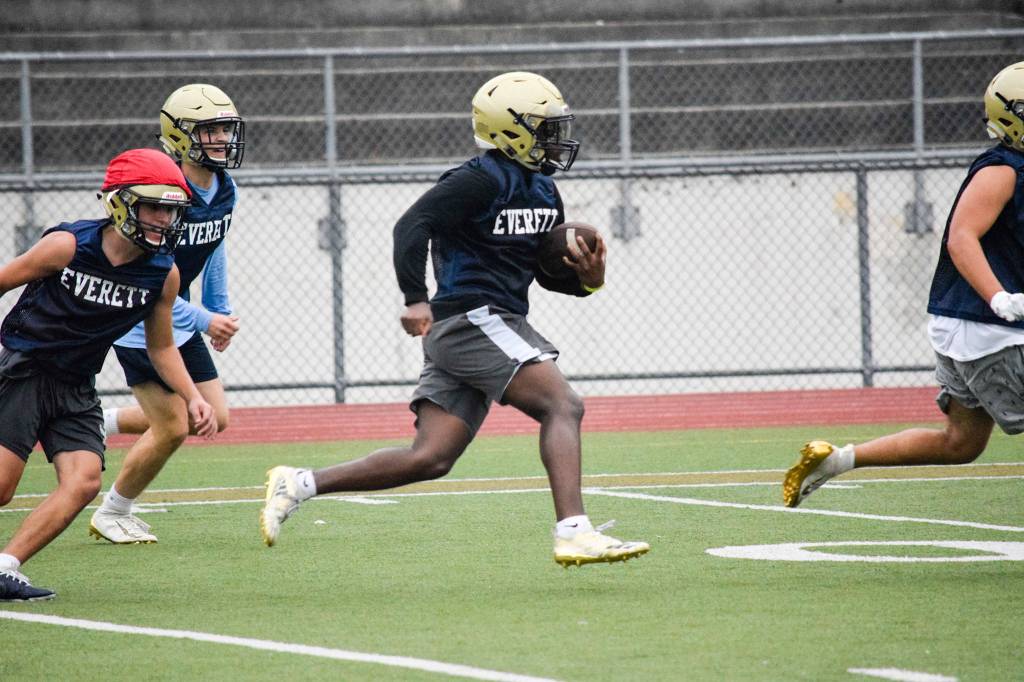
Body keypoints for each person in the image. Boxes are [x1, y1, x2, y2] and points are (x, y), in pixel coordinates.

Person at [259, 71, 649, 567]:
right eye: (544, 127)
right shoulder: (480, 179)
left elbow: (545, 275)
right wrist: (414, 297)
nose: (556, 138)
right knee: (563, 405)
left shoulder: (545, 191)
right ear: (511, 129)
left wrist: (589, 278)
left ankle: (300, 483)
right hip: (471, 319)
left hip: (488, 322)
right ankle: (574, 531)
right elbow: (412, 224)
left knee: (431, 457)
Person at [783, 61, 1024, 507]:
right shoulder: (1003, 170)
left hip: (970, 324)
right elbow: (960, 237)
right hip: (991, 330)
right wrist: (999, 298)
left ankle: (837, 460)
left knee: (960, 443)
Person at [0, 149, 218, 601]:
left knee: (83, 480)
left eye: (170, 209)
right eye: (153, 206)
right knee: (1, 488)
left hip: (77, 383)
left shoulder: (163, 273)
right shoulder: (68, 246)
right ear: (120, 203)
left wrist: (192, 395)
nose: (162, 219)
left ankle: (6, 566)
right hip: (26, 370)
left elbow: (161, 347)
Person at [89, 84, 244, 544]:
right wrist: (201, 319)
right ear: (178, 136)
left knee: (214, 415)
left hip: (182, 318)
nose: (220, 139)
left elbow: (214, 246)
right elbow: (145, 278)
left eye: (224, 129)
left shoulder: (223, 187)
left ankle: (102, 422)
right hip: (141, 323)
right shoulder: (162, 194)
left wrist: (219, 310)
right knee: (173, 425)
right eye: (210, 130)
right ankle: (114, 510)